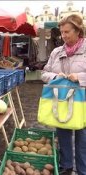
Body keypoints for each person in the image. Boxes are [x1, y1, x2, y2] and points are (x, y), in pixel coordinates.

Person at [41, 14, 86, 175]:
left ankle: (82, 170)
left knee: (83, 139)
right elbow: (44, 73)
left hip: (82, 102)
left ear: (78, 31)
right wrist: (55, 76)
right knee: (63, 135)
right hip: (60, 100)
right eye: (62, 32)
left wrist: (79, 78)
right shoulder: (56, 52)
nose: (63, 36)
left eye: (67, 32)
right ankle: (66, 167)